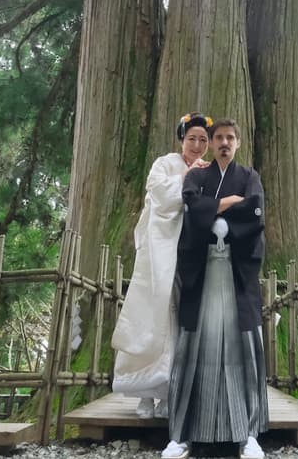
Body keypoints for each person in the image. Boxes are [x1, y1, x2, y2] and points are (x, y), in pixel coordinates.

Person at [163, 118, 268, 459]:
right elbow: (191, 208)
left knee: (244, 352)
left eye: (230, 138)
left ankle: (248, 433)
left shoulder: (249, 176)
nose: (224, 142)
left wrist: (213, 213)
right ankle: (180, 435)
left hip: (236, 272)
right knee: (192, 350)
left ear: (237, 143)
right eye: (219, 137)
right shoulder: (196, 175)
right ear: (212, 142)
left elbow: (254, 211)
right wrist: (224, 205)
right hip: (203, 271)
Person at [111, 112, 212, 418]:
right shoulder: (164, 164)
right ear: (182, 138)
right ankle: (143, 394)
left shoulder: (209, 171)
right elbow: (160, 196)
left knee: (183, 321)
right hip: (159, 252)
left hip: (190, 254)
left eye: (203, 140)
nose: (197, 144)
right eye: (192, 138)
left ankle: (171, 393)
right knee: (151, 316)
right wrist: (188, 175)